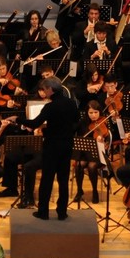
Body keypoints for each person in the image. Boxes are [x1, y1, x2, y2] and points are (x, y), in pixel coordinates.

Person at [20, 77, 79, 220]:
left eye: (45, 89)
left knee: (47, 179)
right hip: (66, 145)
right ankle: (62, 212)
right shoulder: (71, 103)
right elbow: (76, 121)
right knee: (63, 180)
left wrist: (17, 120)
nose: (44, 92)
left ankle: (43, 212)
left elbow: (34, 123)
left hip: (52, 146)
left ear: (51, 90)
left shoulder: (50, 107)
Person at [73, 100, 108, 204]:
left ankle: (95, 191)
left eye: (96, 112)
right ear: (87, 113)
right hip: (85, 153)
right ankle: (79, 190)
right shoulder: (82, 123)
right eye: (91, 113)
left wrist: (104, 142)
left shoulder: (105, 121)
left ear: (100, 112)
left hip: (98, 154)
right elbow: (78, 136)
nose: (93, 115)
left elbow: (111, 137)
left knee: (92, 166)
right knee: (79, 164)